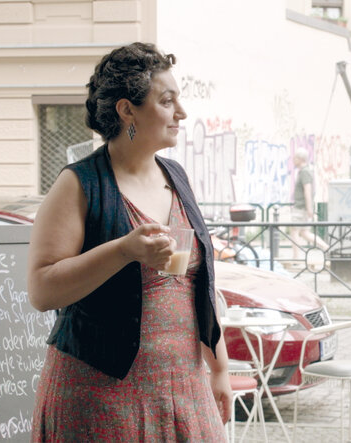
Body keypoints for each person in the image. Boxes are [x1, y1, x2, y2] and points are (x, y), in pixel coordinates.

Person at [27, 42, 230, 441]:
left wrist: (220, 368)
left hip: (183, 391)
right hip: (98, 396)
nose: (181, 113)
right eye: (167, 101)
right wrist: (123, 251)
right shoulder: (79, 183)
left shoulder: (176, 176)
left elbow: (198, 286)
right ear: (127, 110)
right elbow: (41, 289)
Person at [289, 148, 328, 262]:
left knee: (294, 231)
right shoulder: (305, 171)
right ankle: (326, 247)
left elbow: (307, 190)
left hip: (301, 208)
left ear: (300, 159)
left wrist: (309, 208)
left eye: (295, 158)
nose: (293, 160)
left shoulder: (305, 172)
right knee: (304, 232)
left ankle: (296, 258)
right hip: (303, 207)